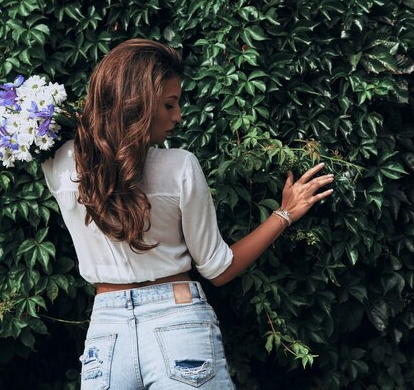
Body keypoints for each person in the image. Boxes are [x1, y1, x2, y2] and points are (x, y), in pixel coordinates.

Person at [41, 39, 334, 389]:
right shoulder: (180, 166)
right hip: (178, 320)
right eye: (169, 104)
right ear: (138, 103)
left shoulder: (58, 166)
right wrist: (284, 213)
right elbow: (218, 268)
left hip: (106, 333)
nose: (178, 116)